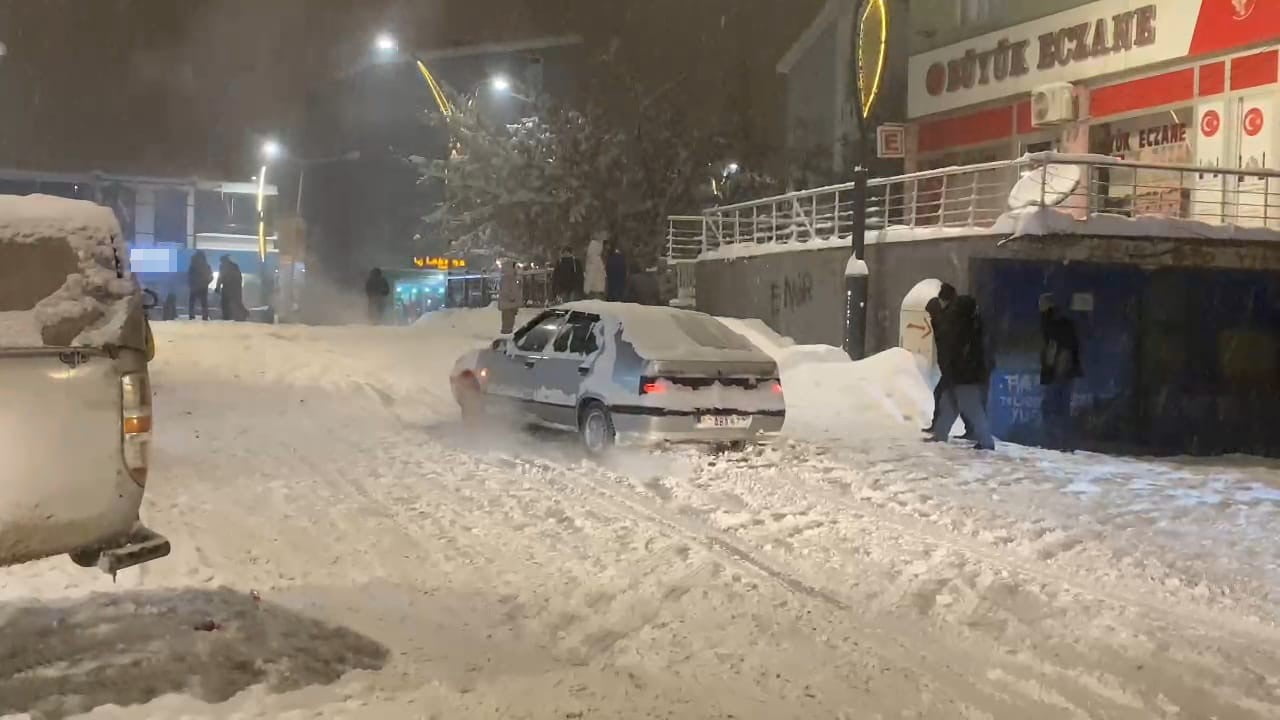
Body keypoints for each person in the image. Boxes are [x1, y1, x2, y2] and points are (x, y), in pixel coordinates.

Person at [931, 295, 996, 450]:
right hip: (962, 374)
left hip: (966, 376)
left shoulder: (967, 327)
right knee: (948, 404)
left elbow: (961, 352)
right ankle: (940, 435)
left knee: (971, 408)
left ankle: (986, 442)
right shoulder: (971, 325)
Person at [1040, 294, 1083, 451]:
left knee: (1053, 408)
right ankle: (1064, 443)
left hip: (1059, 374)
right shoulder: (1063, 325)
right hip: (1065, 373)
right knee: (1061, 409)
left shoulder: (1052, 325)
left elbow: (1056, 351)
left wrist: (1054, 371)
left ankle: (1056, 442)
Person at [215, 255, 244, 322]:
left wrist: (218, 287)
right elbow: (239, 277)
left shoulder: (223, 267)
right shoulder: (234, 266)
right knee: (236, 302)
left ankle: (226, 316)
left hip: (227, 287)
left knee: (225, 303)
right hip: (234, 287)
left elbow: (220, 278)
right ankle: (241, 315)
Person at [497, 261, 522, 334]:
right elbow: (506, 291)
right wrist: (512, 298)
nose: (516, 269)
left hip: (510, 305)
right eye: (515, 267)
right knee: (508, 323)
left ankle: (507, 334)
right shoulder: (507, 279)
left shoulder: (511, 278)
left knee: (509, 323)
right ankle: (506, 337)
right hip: (508, 305)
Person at [187, 250, 212, 320]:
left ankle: (191, 316)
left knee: (192, 302)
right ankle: (205, 316)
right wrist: (206, 282)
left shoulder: (192, 265)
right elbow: (210, 276)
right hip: (203, 287)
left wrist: (190, 284)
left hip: (194, 286)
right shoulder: (206, 265)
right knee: (204, 303)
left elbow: (189, 275)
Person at [583, 235, 606, 299]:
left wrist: (586, 289)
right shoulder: (599, 260)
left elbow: (590, 275)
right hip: (600, 290)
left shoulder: (592, 261)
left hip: (592, 290)